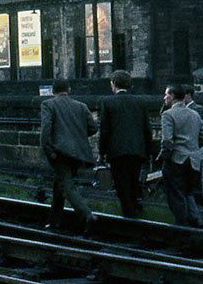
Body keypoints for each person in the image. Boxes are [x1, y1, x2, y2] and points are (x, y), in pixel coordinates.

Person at [41, 79, 99, 232]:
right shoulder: (81, 106)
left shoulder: (48, 105)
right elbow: (93, 127)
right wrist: (77, 135)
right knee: (60, 183)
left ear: (53, 91)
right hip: (77, 153)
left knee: (67, 186)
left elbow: (46, 131)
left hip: (59, 153)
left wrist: (49, 151)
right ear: (69, 90)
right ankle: (54, 220)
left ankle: (87, 215)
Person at [98, 70, 153, 218]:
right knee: (133, 182)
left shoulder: (108, 102)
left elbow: (105, 130)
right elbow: (147, 129)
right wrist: (148, 151)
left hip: (117, 151)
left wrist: (101, 152)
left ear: (113, 84)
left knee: (122, 185)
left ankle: (129, 215)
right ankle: (134, 211)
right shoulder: (140, 101)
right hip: (137, 149)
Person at [160, 84, 203, 228]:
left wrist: (166, 157)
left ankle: (183, 227)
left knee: (176, 195)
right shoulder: (194, 114)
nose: (164, 98)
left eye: (166, 95)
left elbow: (167, 140)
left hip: (176, 159)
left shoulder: (168, 115)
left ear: (173, 97)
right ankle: (197, 222)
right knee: (188, 192)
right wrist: (193, 146)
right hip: (193, 160)